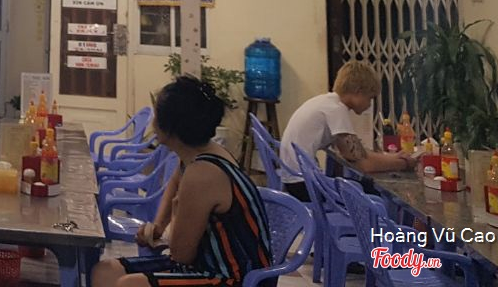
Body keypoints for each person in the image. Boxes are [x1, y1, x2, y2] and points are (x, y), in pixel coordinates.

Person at [92, 76, 273, 287]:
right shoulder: (198, 154)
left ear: (170, 128)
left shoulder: (203, 174)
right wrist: (158, 226)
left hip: (233, 278)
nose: (152, 124)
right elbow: (175, 182)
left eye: (156, 117)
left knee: (129, 284)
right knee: (105, 272)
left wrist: (176, 215)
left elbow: (181, 254)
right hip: (204, 265)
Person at [279, 60, 414, 199]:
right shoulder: (336, 110)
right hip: (306, 186)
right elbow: (364, 164)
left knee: (363, 185)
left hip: (295, 181)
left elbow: (358, 153)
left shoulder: (325, 102)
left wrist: (392, 157)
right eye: (370, 98)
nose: (369, 105)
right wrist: (403, 164)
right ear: (358, 92)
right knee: (372, 191)